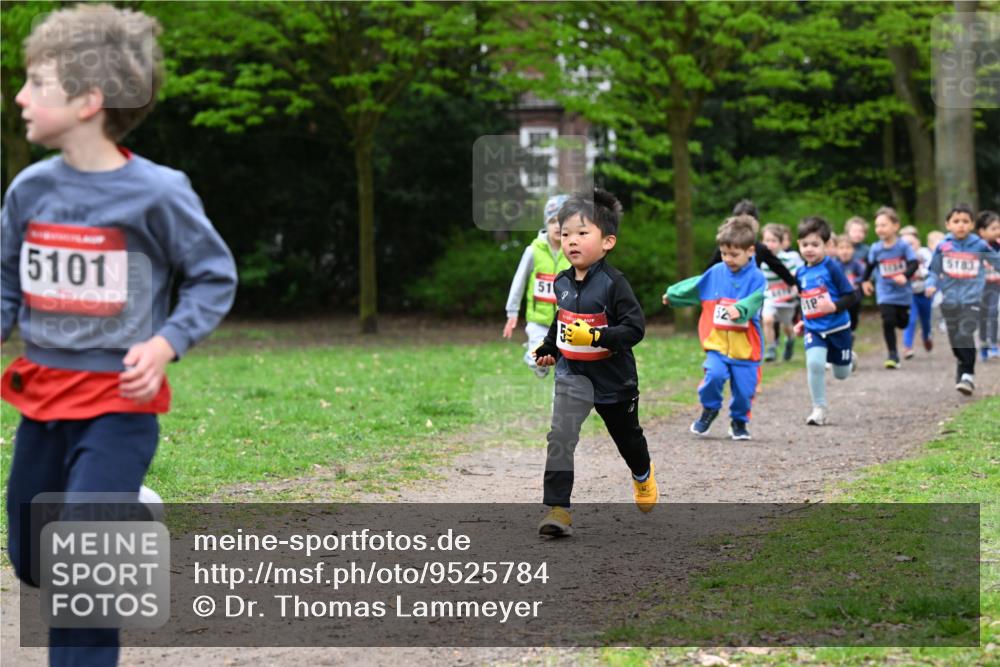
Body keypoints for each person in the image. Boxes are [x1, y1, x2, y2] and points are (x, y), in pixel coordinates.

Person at [0, 6, 238, 665]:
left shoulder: (158, 193)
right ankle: (126, 510)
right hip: (43, 399)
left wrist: (165, 343)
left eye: (36, 84)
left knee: (82, 565)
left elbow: (213, 276)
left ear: (88, 102)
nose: (19, 97)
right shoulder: (29, 190)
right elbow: (5, 281)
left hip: (119, 402)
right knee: (31, 554)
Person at [532, 189, 656, 537]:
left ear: (607, 242)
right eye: (566, 233)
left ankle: (642, 474)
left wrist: (597, 337)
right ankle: (558, 509)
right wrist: (550, 347)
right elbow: (561, 321)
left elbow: (635, 329)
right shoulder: (561, 282)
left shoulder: (615, 284)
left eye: (582, 233)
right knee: (560, 437)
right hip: (572, 376)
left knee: (628, 439)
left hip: (614, 381)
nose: (572, 241)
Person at [663, 215, 766, 441]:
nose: (728, 259)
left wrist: (741, 308)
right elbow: (697, 286)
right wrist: (674, 295)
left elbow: (757, 299)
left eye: (734, 254)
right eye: (724, 253)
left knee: (745, 391)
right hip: (717, 343)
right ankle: (709, 409)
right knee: (714, 375)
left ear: (750, 251)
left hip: (746, 348)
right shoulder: (717, 272)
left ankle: (739, 422)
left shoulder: (757, 277)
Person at [925, 204, 1000, 394]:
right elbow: (934, 270)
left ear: (972, 225)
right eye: (956, 221)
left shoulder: (979, 245)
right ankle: (962, 365)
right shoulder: (943, 246)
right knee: (955, 341)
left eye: (966, 221)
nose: (961, 225)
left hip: (973, 299)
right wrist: (930, 284)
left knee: (964, 334)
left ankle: (968, 375)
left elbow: (997, 261)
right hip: (949, 300)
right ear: (948, 224)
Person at [793, 217, 859, 426]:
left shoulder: (832, 267)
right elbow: (805, 300)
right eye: (805, 244)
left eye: (815, 244)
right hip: (814, 329)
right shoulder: (800, 273)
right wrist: (802, 321)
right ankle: (819, 409)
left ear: (827, 245)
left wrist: (834, 307)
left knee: (841, 374)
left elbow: (851, 296)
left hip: (838, 327)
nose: (809, 249)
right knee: (814, 363)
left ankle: (850, 360)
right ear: (798, 245)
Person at [502, 194, 570, 377]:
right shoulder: (533, 251)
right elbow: (519, 281)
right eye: (553, 221)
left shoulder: (573, 251)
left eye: (563, 221)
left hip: (566, 322)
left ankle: (561, 394)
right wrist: (512, 311)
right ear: (546, 224)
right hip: (538, 321)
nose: (558, 226)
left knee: (565, 368)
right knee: (538, 361)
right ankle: (533, 358)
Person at [861, 207, 918, 368]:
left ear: (895, 226)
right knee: (888, 320)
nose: (879, 229)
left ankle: (903, 320)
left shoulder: (903, 246)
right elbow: (870, 266)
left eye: (883, 225)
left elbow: (914, 263)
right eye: (877, 225)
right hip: (884, 291)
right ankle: (892, 354)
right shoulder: (876, 248)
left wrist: (904, 275)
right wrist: (865, 281)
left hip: (903, 292)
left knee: (902, 323)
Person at [704, 200, 797, 289]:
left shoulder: (760, 249)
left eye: (734, 255)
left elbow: (778, 267)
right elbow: (708, 272)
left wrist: (795, 284)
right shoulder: (726, 248)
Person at [760, 223, 803, 362]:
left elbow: (798, 273)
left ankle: (790, 340)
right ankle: (771, 348)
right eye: (767, 241)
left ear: (781, 243)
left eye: (773, 241)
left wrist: (795, 283)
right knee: (767, 320)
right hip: (770, 297)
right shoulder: (760, 260)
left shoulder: (790, 258)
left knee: (787, 327)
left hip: (787, 298)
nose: (770, 244)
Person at [901, 229, 934, 358]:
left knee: (926, 321)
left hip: (925, 293)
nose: (909, 247)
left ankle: (926, 336)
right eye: (905, 244)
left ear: (918, 243)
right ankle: (907, 347)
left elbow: (932, 269)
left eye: (911, 243)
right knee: (911, 320)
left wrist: (926, 278)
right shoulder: (900, 256)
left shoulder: (924, 254)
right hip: (909, 294)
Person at [975, 210, 1000, 360]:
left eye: (999, 228)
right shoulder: (977, 247)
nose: (998, 231)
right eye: (994, 228)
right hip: (980, 287)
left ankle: (994, 344)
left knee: (993, 312)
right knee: (982, 315)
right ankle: (983, 344)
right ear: (982, 231)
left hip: (996, 285)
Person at [834, 234, 865, 332]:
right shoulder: (834, 265)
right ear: (836, 250)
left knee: (853, 322)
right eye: (841, 248)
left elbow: (864, 276)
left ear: (853, 250)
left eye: (848, 248)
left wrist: (854, 280)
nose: (845, 251)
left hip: (855, 299)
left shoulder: (857, 264)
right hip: (839, 300)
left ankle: (851, 332)